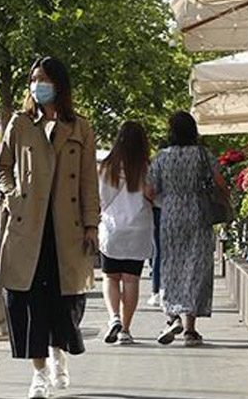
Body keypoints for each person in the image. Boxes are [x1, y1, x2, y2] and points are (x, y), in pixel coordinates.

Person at [0, 57, 99, 399]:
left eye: (43, 79)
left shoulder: (80, 126)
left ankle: (58, 352)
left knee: (66, 302)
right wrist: (12, 197)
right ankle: (38, 373)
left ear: (59, 84)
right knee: (29, 300)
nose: (37, 85)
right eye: (33, 79)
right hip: (29, 226)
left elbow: (88, 181)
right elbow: (3, 166)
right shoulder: (21, 123)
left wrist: (91, 224)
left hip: (66, 229)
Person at [148, 111, 223, 348]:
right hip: (199, 213)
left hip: (171, 215)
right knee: (196, 267)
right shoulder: (204, 155)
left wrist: (166, 200)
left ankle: (172, 317)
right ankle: (191, 330)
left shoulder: (161, 157)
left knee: (171, 264)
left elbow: (149, 192)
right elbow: (221, 184)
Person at [98, 121, 154, 347]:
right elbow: (153, 196)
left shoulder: (106, 167)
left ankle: (114, 318)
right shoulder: (146, 168)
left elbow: (100, 199)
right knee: (131, 280)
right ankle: (126, 330)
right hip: (138, 229)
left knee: (110, 277)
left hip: (112, 229)